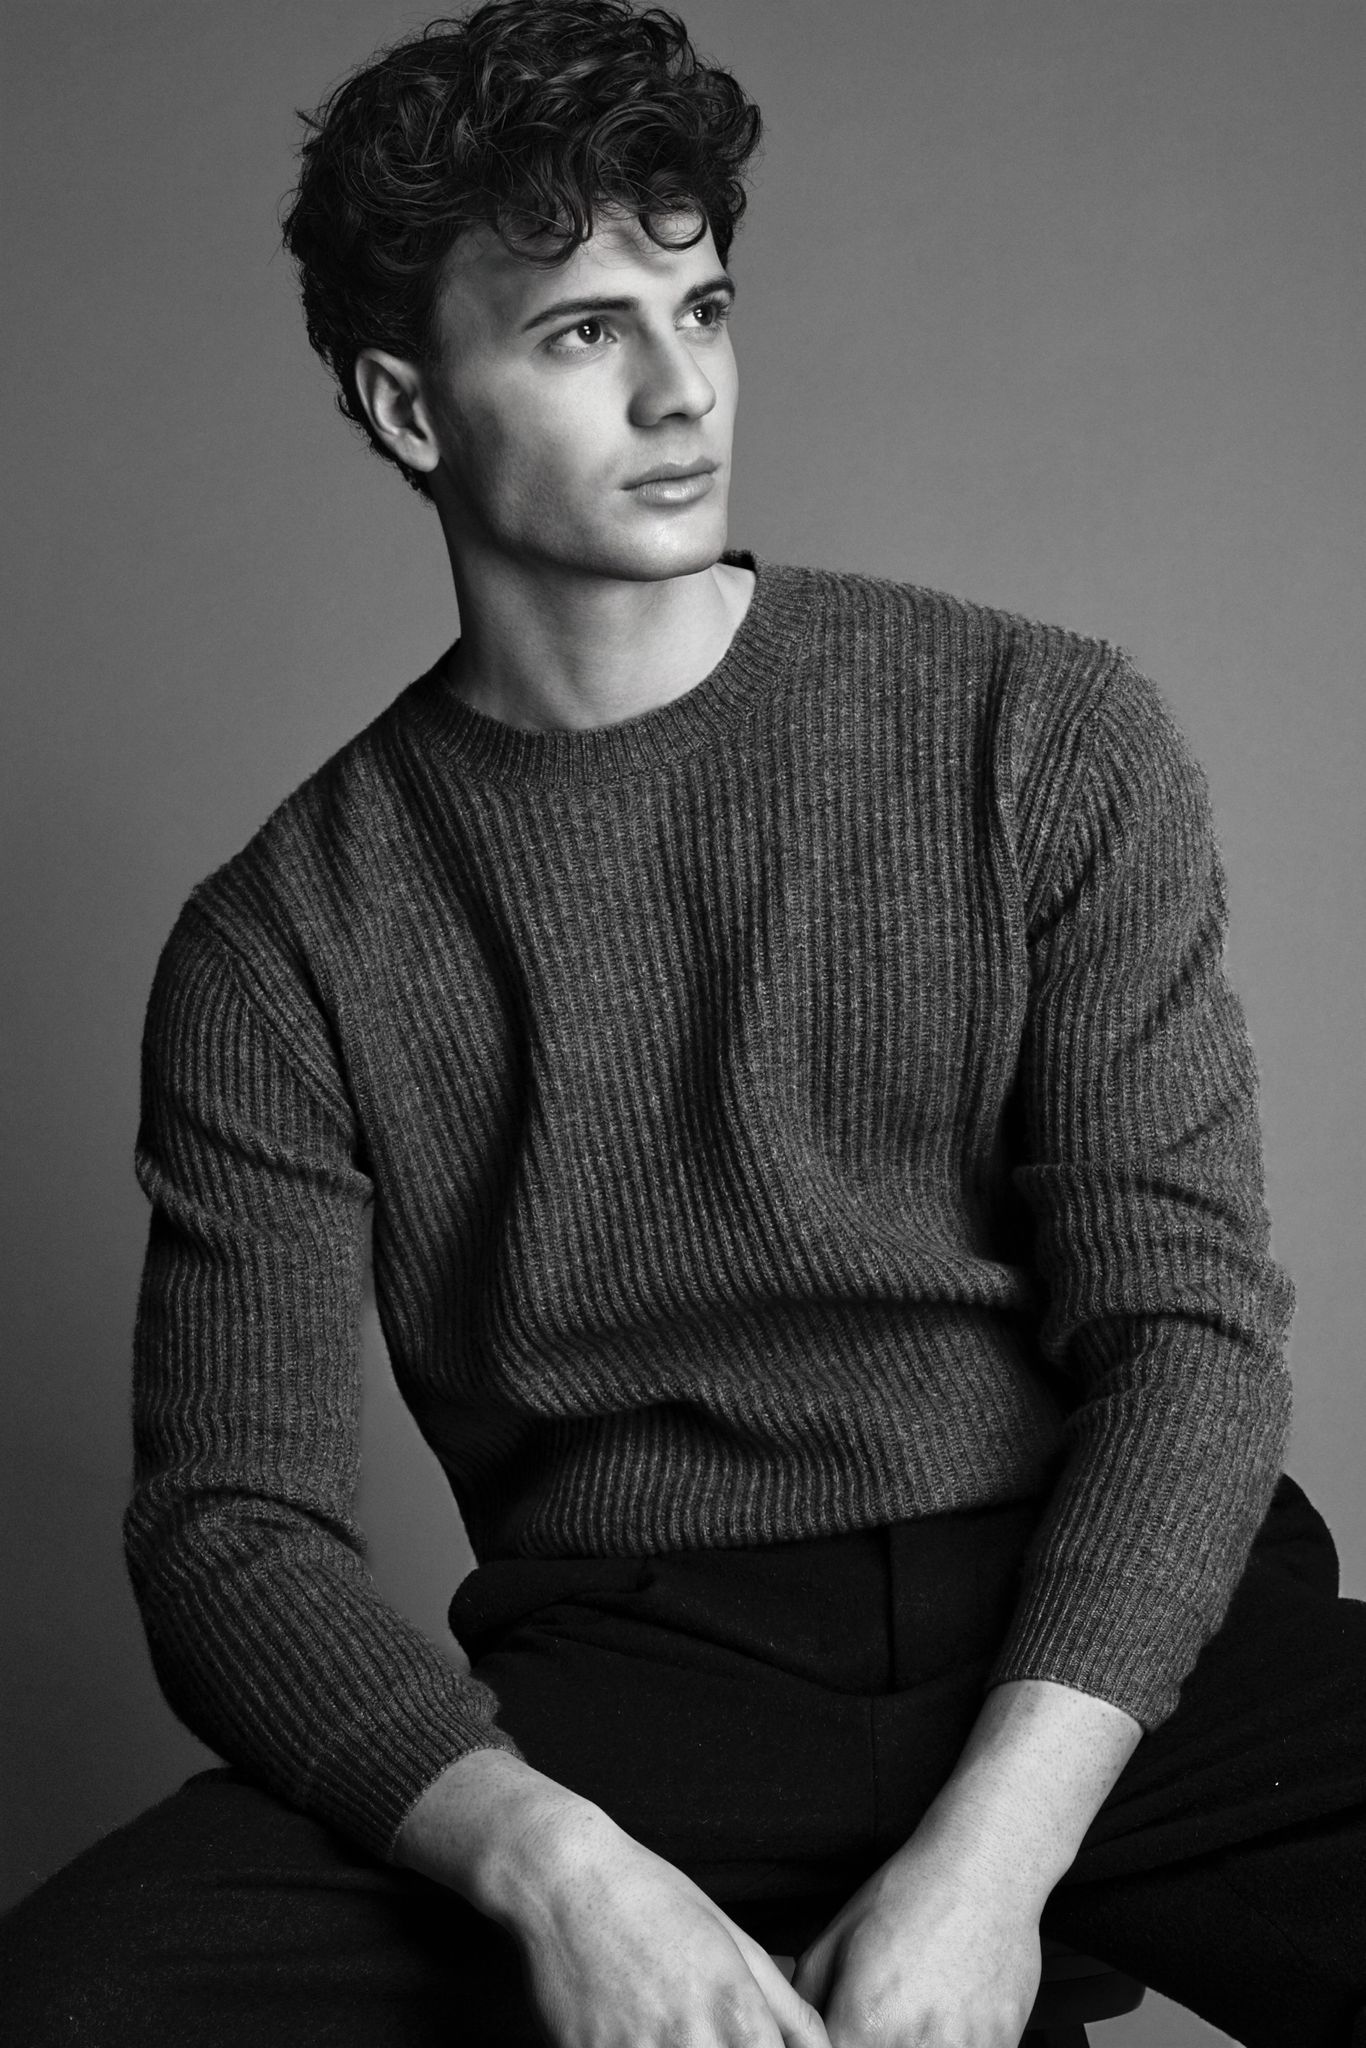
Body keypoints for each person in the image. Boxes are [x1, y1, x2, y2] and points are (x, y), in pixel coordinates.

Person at [2, 3, 1364, 2043]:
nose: (681, 389)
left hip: (1091, 1637)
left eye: (700, 305)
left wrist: (989, 1870)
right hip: (640, 1688)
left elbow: (1183, 1340)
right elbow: (230, 1530)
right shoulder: (282, 943)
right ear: (406, 407)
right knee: (74, 2001)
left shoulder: (1036, 731)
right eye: (580, 333)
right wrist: (563, 1876)